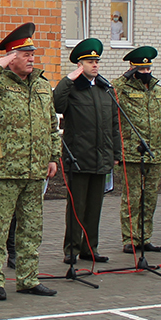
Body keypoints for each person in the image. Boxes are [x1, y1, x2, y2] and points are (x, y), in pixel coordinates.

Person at [0, 22, 61, 301]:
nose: (32, 58)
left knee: (32, 228)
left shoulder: (42, 84)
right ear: (11, 57)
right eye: (25, 54)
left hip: (36, 169)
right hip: (5, 169)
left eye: (33, 53)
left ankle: (28, 279)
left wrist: (53, 156)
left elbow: (51, 125)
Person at [53, 38, 119, 264]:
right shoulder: (72, 89)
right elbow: (57, 104)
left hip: (101, 157)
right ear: (79, 65)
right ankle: (71, 249)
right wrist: (68, 79)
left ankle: (90, 248)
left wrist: (116, 154)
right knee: (76, 208)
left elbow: (113, 125)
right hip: (79, 158)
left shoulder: (105, 89)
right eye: (90, 61)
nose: (95, 65)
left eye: (96, 61)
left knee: (94, 208)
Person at [109, 46, 161, 255]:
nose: (145, 73)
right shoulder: (122, 88)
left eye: (148, 69)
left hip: (154, 153)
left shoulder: (159, 90)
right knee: (132, 197)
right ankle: (129, 239)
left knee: (150, 197)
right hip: (131, 153)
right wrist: (126, 77)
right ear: (132, 68)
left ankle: (145, 237)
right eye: (140, 69)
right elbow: (109, 92)